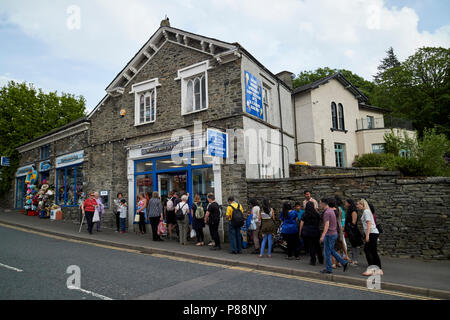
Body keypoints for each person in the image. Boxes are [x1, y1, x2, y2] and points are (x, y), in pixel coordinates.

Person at [319, 198, 348, 274]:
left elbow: (327, 225)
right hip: (334, 234)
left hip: (329, 235)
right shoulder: (331, 211)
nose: (319, 205)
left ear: (324, 203)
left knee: (327, 252)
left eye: (320, 203)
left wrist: (323, 235)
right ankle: (343, 262)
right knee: (331, 251)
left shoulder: (327, 213)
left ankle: (329, 269)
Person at [357, 199, 383, 276]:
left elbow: (369, 223)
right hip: (373, 233)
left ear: (362, 205)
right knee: (373, 251)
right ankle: (379, 270)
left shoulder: (366, 211)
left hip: (371, 233)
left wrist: (367, 235)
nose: (357, 206)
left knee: (367, 249)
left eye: (358, 204)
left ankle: (371, 269)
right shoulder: (367, 211)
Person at [300, 201, 323, 265]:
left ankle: (313, 260)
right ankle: (321, 259)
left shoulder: (305, 214)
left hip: (307, 232)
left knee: (311, 247)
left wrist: (300, 232)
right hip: (316, 231)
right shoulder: (316, 214)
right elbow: (320, 222)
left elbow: (301, 224)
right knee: (317, 246)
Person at [344, 199, 364, 266]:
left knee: (354, 245)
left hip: (353, 231)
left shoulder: (353, 211)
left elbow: (354, 222)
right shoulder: (350, 210)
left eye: (346, 202)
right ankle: (354, 260)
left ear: (349, 203)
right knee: (353, 246)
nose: (345, 203)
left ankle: (355, 260)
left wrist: (349, 227)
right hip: (351, 230)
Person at [335, 195, 349, 261]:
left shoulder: (339, 208)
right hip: (341, 227)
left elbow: (343, 219)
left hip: (340, 227)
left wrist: (343, 226)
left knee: (342, 242)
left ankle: (344, 256)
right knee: (342, 242)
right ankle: (343, 255)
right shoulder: (341, 208)